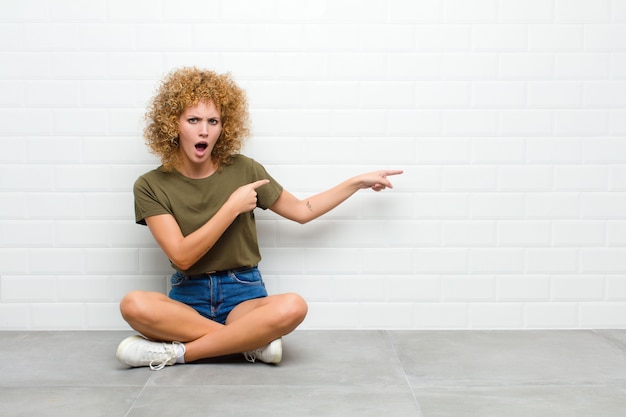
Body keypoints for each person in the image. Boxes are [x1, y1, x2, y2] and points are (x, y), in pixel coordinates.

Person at [115, 67, 403, 370]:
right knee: (133, 304)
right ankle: (249, 343)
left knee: (294, 306)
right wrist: (231, 207)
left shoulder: (245, 169)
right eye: (194, 120)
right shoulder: (150, 185)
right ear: (174, 124)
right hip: (189, 299)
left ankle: (180, 353)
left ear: (223, 126)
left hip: (244, 295)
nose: (204, 131)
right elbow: (182, 257)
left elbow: (302, 211)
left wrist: (355, 183)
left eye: (213, 121)